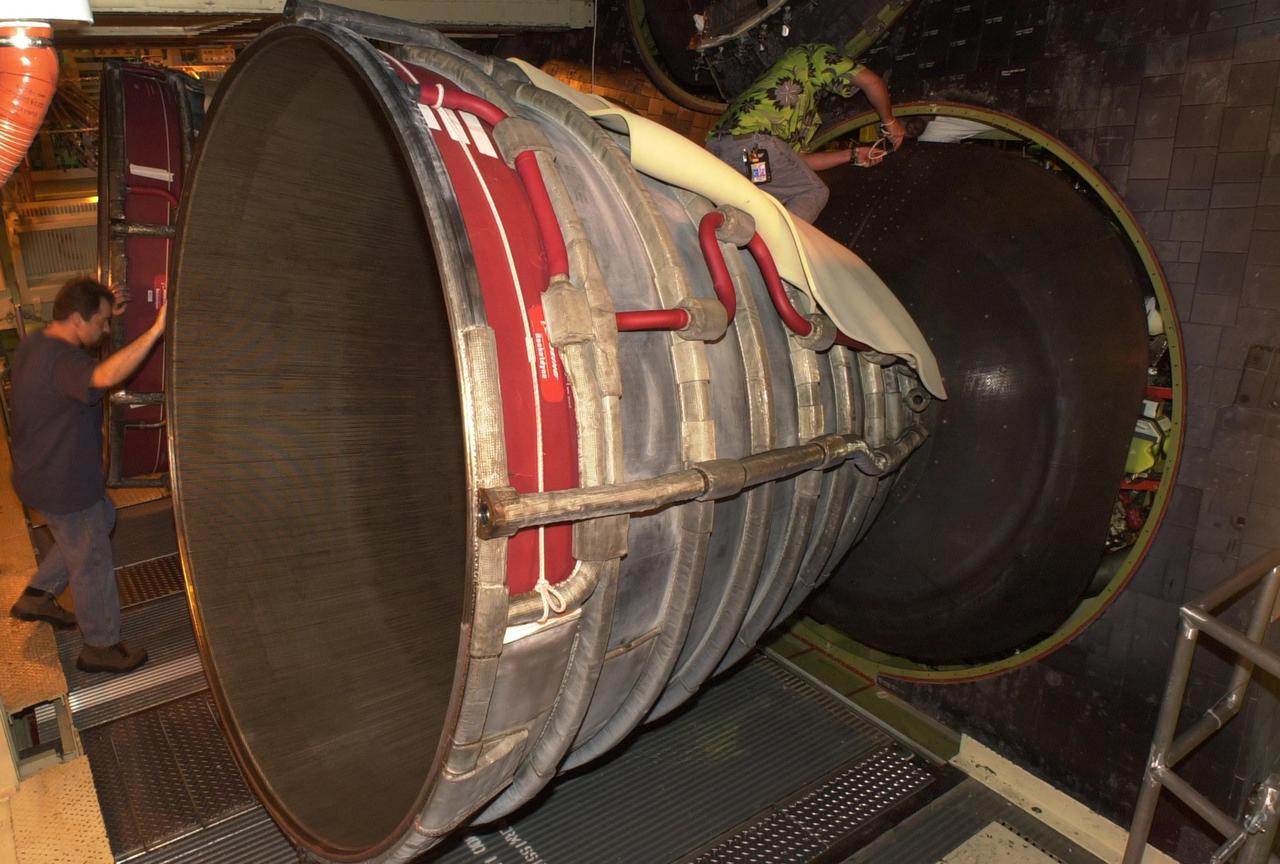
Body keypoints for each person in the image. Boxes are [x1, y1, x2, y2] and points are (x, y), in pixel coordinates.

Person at [8, 278, 167, 674]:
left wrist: (104, 305)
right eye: (102, 322)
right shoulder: (66, 363)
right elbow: (106, 374)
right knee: (91, 555)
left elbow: (83, 348)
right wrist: (156, 330)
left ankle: (37, 595)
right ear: (78, 320)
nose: (108, 329)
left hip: (36, 475)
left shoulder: (35, 344)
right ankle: (100, 646)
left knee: (101, 520)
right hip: (66, 485)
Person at [706, 43, 905, 222]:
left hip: (725, 150)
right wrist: (890, 121)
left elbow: (798, 160)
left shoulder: (798, 100)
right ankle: (778, 251)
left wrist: (852, 155)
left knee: (760, 199)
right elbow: (872, 82)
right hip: (755, 148)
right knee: (814, 192)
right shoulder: (813, 56)